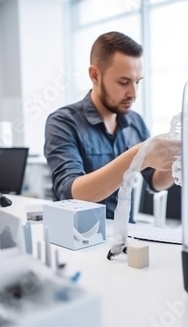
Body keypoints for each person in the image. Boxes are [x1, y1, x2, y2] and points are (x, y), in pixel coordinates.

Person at [44, 31, 180, 222]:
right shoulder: (63, 122)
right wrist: (139, 155)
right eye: (124, 82)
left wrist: (177, 159)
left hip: (125, 235)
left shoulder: (135, 122)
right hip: (78, 238)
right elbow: (72, 193)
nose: (133, 93)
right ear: (95, 75)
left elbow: (156, 182)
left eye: (137, 82)